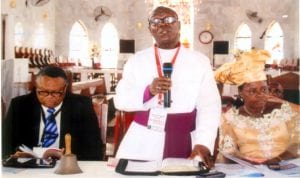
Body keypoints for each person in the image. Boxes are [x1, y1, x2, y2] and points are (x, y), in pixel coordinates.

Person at [114, 6, 221, 168]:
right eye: (156, 22)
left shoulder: (199, 61)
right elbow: (120, 100)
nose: (163, 26)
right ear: (150, 29)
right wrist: (148, 91)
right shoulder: (136, 61)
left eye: (169, 20)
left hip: (186, 137)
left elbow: (210, 106)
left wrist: (204, 142)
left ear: (179, 26)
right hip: (143, 139)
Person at [215, 49, 300, 165]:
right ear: (240, 93)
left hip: (286, 167)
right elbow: (229, 152)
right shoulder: (229, 119)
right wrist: (252, 164)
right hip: (249, 170)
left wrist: (278, 160)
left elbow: (296, 143)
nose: (260, 95)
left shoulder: (284, 111)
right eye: (252, 91)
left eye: (264, 89)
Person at [2, 66, 103, 161]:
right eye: (43, 92)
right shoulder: (19, 105)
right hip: (29, 165)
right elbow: (5, 145)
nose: (49, 97)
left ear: (65, 88)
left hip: (66, 166)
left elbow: (95, 150)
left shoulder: (82, 106)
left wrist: (68, 157)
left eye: (56, 92)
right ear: (36, 87)